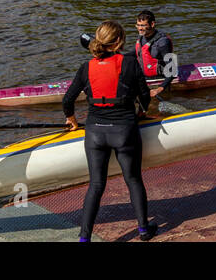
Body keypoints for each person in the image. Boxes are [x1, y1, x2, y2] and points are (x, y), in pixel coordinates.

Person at [63, 21, 156, 241]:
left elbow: (68, 100)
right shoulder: (130, 63)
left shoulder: (86, 67)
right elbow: (144, 96)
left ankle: (84, 237)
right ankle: (143, 230)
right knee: (133, 179)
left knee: (96, 185)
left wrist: (72, 120)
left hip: (95, 133)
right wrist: (142, 112)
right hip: (124, 131)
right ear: (119, 42)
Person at [134, 11, 175, 101]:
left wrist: (159, 89)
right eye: (138, 25)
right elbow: (137, 54)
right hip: (144, 76)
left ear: (152, 24)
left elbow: (172, 70)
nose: (140, 28)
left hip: (160, 77)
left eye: (143, 25)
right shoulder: (141, 36)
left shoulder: (163, 42)